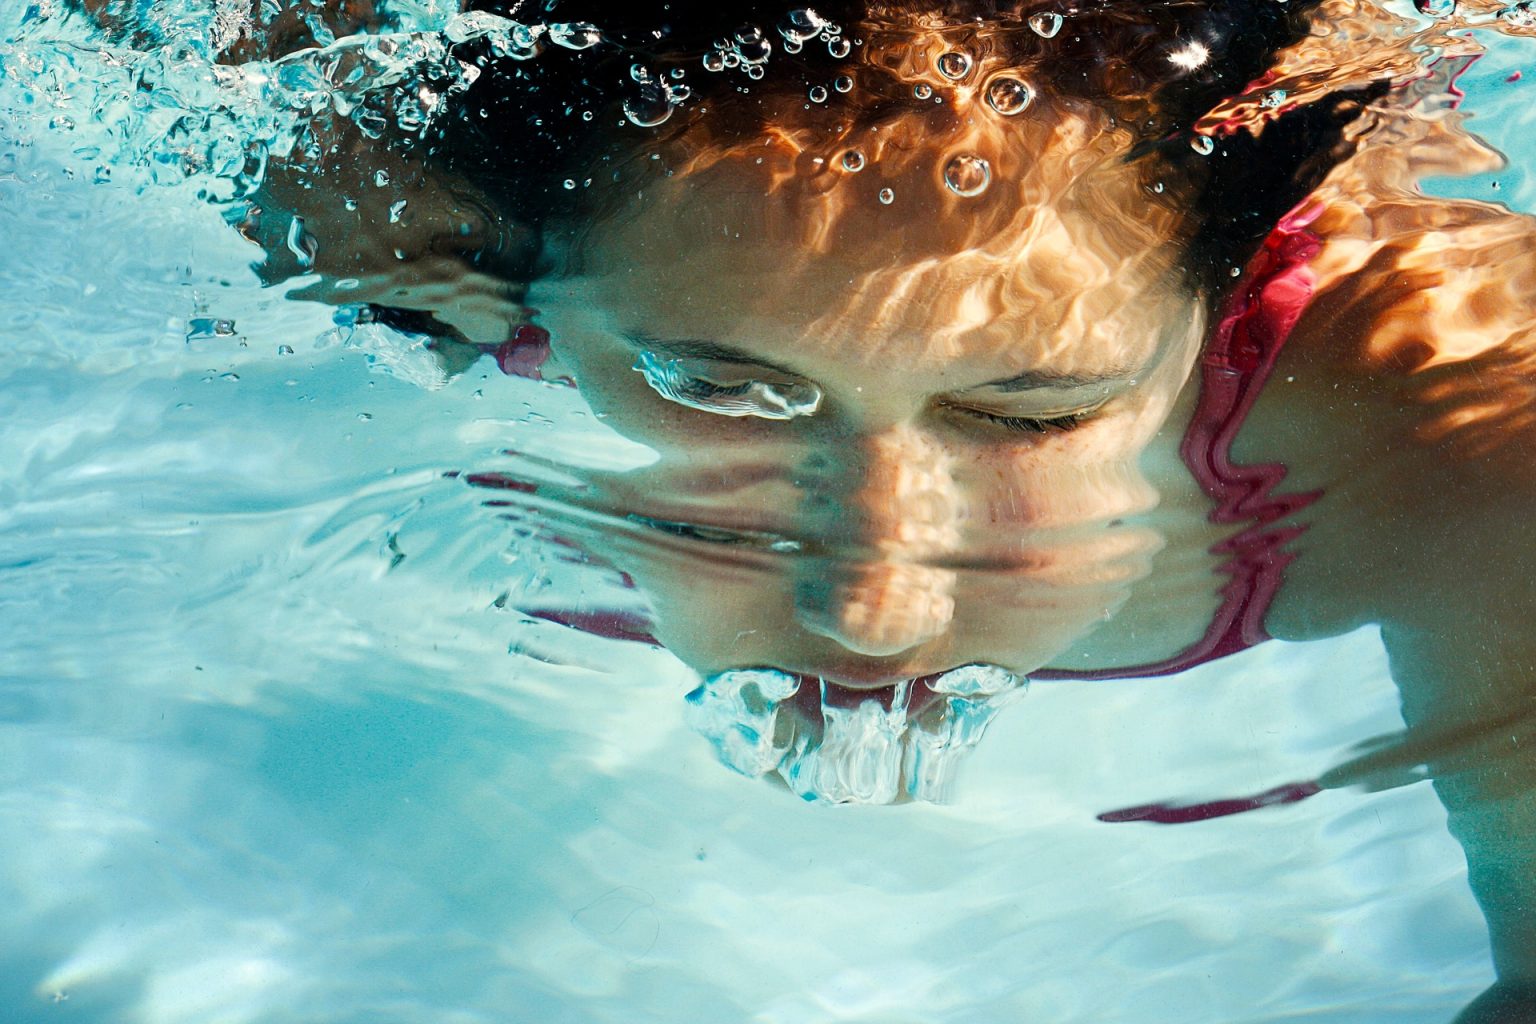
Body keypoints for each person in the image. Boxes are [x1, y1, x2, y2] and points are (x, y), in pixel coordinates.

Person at [129, 0, 1536, 1017]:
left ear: (1216, 308)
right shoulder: (383, 225)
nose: (872, 599)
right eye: (714, 383)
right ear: (536, 287)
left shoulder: (1453, 423)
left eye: (1031, 410)